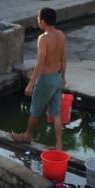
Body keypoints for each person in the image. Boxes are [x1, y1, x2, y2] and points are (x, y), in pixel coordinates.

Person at [11, 8, 67, 150]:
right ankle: (59, 145)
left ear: (42, 21)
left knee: (35, 111)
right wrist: (63, 77)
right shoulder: (61, 35)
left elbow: (40, 64)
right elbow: (63, 59)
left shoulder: (43, 38)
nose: (37, 21)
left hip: (45, 80)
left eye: (38, 19)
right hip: (57, 77)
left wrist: (31, 84)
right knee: (56, 114)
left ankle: (28, 136)